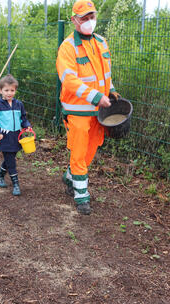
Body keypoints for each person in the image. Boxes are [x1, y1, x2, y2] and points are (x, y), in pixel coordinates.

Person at [56, 0, 120, 215]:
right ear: (74, 20)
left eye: (91, 16)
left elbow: (105, 72)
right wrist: (96, 97)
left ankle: (70, 176)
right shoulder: (67, 47)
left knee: (90, 151)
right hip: (78, 111)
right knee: (80, 150)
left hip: (98, 110)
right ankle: (81, 196)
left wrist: (110, 90)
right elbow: (70, 81)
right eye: (84, 18)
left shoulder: (101, 42)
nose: (89, 21)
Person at [0, 74, 32, 196]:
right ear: (0, 90)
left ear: (15, 90)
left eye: (12, 90)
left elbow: (23, 117)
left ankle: (0, 177)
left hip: (16, 136)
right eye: (6, 90)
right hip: (4, 137)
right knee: (11, 160)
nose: (9, 93)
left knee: (10, 157)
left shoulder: (19, 104)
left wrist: (27, 125)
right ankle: (16, 184)